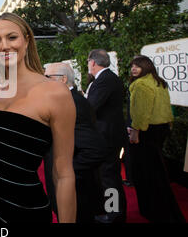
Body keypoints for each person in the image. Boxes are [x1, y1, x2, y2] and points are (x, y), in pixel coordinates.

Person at [0, 12, 76, 223]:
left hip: (26, 211)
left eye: (11, 37)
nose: (4, 46)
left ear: (26, 40)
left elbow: (63, 173)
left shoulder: (56, 93)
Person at [43, 62, 107, 223]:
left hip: (76, 191)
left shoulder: (72, 103)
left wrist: (66, 172)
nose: (43, 82)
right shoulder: (70, 99)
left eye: (47, 77)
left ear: (63, 79)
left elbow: (95, 150)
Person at [128, 55, 185, 223]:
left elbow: (141, 112)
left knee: (145, 172)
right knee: (156, 170)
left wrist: (135, 131)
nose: (134, 68)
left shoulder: (141, 84)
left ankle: (153, 209)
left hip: (146, 132)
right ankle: (159, 208)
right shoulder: (159, 82)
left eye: (138, 66)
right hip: (161, 129)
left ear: (147, 66)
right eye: (132, 66)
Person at [86, 49, 128, 223]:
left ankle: (114, 215)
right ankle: (113, 212)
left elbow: (91, 107)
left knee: (109, 177)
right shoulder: (109, 78)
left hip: (107, 137)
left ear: (93, 62)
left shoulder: (104, 80)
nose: (88, 65)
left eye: (88, 62)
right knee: (109, 176)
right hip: (110, 135)